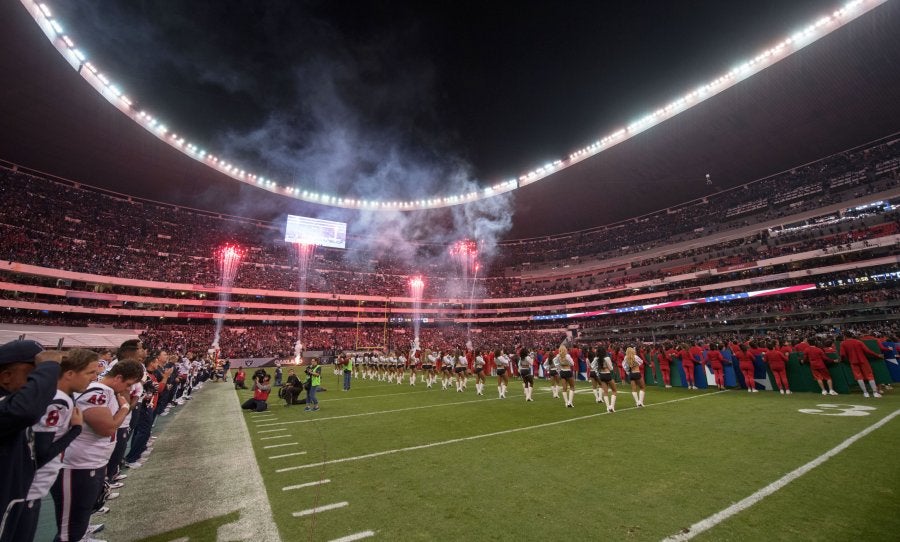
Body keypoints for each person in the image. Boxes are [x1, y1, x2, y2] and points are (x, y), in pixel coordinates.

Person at [51, 359, 144, 542]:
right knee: (68, 530)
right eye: (127, 384)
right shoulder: (97, 392)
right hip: (77, 464)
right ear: (118, 377)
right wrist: (125, 408)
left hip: (92, 460)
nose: (128, 389)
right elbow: (107, 428)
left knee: (83, 513)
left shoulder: (105, 391)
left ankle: (83, 534)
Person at [15, 349, 99, 542]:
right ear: (69, 374)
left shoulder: (58, 396)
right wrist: (76, 430)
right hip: (29, 485)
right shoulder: (58, 401)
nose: (94, 377)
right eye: (89, 372)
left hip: (31, 483)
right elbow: (41, 454)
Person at [0, 340, 62, 542]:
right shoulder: (14, 408)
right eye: (33, 374)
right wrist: (49, 367)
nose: (39, 381)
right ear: (6, 377)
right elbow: (25, 410)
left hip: (16, 499)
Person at [839, 330, 884, 398]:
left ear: (845, 336)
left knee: (859, 377)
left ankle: (865, 393)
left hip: (853, 362)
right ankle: (875, 392)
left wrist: (843, 360)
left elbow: (842, 354)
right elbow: (867, 351)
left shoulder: (843, 343)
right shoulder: (858, 342)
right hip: (863, 361)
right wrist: (877, 355)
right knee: (870, 376)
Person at [596, 346, 618, 412]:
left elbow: (593, 366)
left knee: (605, 392)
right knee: (614, 390)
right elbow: (611, 368)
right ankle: (612, 406)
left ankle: (608, 407)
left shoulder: (597, 359)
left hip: (601, 375)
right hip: (607, 374)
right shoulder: (607, 358)